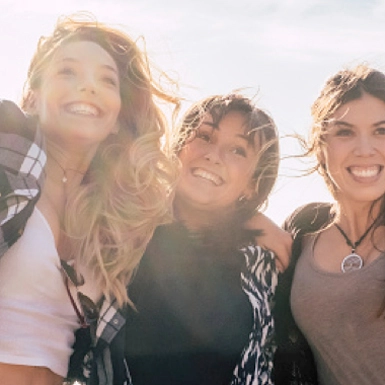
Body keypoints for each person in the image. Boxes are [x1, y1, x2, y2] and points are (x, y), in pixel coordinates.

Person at [0, 14, 179, 385]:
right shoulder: (6, 156)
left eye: (106, 80)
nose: (88, 87)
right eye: (67, 72)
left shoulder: (118, 217)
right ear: (34, 96)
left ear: (117, 117)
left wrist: (256, 222)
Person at [124, 93, 281, 385]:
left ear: (252, 185)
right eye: (206, 137)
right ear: (178, 148)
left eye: (238, 150)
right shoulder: (125, 236)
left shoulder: (266, 266)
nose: (213, 155)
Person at [273, 64, 385, 385]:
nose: (365, 149)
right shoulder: (300, 234)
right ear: (321, 144)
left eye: (381, 130)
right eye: (345, 132)